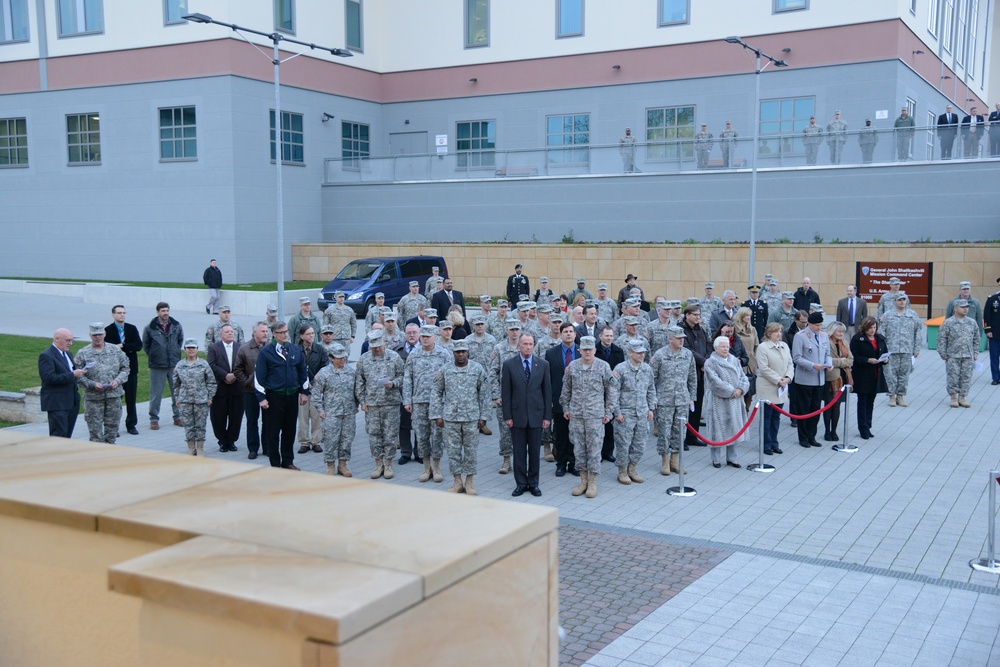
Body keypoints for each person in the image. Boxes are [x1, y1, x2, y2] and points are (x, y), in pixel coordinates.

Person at [561, 336, 617, 499]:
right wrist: (565, 407)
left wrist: (608, 412)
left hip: (595, 416)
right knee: (579, 449)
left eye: (590, 349)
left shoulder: (603, 366)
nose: (587, 352)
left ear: (594, 350)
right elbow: (566, 389)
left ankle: (592, 482)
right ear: (579, 350)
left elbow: (612, 390)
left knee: (593, 449)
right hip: (577, 415)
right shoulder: (572, 366)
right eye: (584, 349)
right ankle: (583, 481)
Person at [501, 333, 552, 497]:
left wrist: (547, 417)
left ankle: (534, 483)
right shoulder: (509, 365)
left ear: (534, 346)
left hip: (537, 416)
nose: (528, 347)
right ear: (519, 345)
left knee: (535, 453)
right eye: (525, 344)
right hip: (517, 416)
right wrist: (507, 416)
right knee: (519, 452)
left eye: (531, 344)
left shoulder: (543, 365)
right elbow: (506, 393)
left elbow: (547, 393)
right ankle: (521, 483)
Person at [255, 321, 310, 470]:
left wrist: (304, 392)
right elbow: (259, 377)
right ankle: (275, 464)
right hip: (274, 398)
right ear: (274, 334)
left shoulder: (294, 350)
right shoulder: (266, 352)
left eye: (286, 331)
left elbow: (303, 372)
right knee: (273, 433)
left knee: (289, 430)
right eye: (282, 332)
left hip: (291, 397)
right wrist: (261, 398)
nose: (286, 334)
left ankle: (287, 461)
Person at [403, 324, 451, 482]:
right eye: (422, 336)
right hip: (419, 402)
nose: (424, 339)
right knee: (421, 436)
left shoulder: (444, 355)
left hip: (438, 403)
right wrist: (407, 400)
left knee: (437, 436)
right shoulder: (414, 355)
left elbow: (450, 380)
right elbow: (407, 378)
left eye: (427, 336)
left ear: (435, 337)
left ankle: (436, 467)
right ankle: (426, 467)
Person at [355, 329, 405, 477]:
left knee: (390, 435)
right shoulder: (364, 359)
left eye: (379, 345)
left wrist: (393, 383)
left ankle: (388, 463)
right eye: (373, 346)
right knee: (374, 435)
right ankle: (378, 463)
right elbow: (359, 382)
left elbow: (403, 376)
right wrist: (362, 401)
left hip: (391, 403)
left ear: (384, 342)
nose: (377, 349)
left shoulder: (394, 357)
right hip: (372, 404)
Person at [650, 326, 697, 474]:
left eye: (683, 337)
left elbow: (692, 377)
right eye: (678, 338)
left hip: (682, 399)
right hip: (664, 400)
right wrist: (653, 399)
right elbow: (652, 379)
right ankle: (664, 461)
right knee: (664, 432)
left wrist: (692, 398)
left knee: (680, 431)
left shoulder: (688, 354)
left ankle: (675, 461)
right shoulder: (660, 355)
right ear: (670, 338)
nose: (682, 340)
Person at [73, 323, 129, 444]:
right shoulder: (83, 353)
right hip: (93, 399)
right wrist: (92, 384)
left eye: (99, 334)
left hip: (113, 397)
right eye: (94, 335)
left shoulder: (115, 350)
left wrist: (117, 381)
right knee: (95, 434)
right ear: (90, 336)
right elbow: (78, 376)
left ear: (104, 334)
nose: (97, 337)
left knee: (112, 432)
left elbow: (125, 369)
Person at [612, 339, 656, 486]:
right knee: (623, 444)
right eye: (638, 352)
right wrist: (617, 412)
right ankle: (622, 471)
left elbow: (651, 389)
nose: (642, 355)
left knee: (640, 444)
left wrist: (651, 408)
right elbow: (613, 392)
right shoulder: (620, 369)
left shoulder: (647, 369)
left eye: (643, 352)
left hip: (642, 412)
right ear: (630, 353)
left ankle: (632, 468)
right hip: (625, 413)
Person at [312, 343, 358, 477]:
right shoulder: (324, 373)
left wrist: (357, 404)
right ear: (331, 358)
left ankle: (343, 465)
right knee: (331, 440)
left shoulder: (350, 372)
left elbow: (357, 390)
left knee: (347, 439)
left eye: (344, 357)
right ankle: (330, 466)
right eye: (339, 357)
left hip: (348, 413)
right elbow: (316, 393)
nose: (342, 360)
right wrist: (320, 409)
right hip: (331, 413)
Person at [703, 336, 749, 469]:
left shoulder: (735, 360)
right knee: (716, 430)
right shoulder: (710, 363)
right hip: (718, 400)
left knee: (734, 428)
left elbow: (743, 377)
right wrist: (731, 391)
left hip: (735, 399)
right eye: (723, 346)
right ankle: (716, 459)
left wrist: (740, 389)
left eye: (727, 346)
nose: (725, 349)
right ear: (716, 348)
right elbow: (715, 382)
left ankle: (732, 458)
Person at [791, 312, 833, 448]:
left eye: (821, 325)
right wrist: (812, 365)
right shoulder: (801, 336)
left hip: (819, 379)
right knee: (804, 409)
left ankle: (812, 436)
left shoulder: (824, 335)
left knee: (815, 409)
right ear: (809, 324)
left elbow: (827, 354)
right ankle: (803, 437)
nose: (819, 328)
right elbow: (797, 358)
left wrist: (829, 364)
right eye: (817, 325)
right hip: (805, 379)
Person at [488, 320, 524, 474]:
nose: (515, 332)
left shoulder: (526, 346)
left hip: (522, 398)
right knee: (505, 430)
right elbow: (492, 373)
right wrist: (496, 395)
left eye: (517, 329)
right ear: (506, 330)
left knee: (522, 429)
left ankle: (521, 460)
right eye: (512, 329)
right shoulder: (500, 348)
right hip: (505, 397)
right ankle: (506, 459)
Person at [545, 322, 580, 477]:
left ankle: (573, 463)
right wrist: (549, 399)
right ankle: (560, 464)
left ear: (575, 334)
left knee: (575, 435)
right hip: (559, 399)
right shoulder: (551, 353)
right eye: (565, 331)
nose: (568, 334)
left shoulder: (581, 352)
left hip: (579, 400)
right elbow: (548, 378)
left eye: (571, 331)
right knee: (560, 434)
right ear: (560, 334)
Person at [142, 301, 183, 430]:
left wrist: (174, 353)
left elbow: (180, 341)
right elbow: (146, 345)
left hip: (173, 364)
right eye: (163, 311)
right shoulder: (150, 328)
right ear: (158, 312)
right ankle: (154, 418)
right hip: (157, 365)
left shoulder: (176, 326)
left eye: (167, 310)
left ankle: (177, 417)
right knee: (156, 393)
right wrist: (155, 355)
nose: (165, 313)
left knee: (176, 392)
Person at [38, 328, 86, 438]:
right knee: (59, 436)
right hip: (57, 404)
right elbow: (49, 378)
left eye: (71, 340)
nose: (71, 343)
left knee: (67, 436)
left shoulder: (68, 354)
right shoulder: (46, 356)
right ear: (57, 339)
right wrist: (73, 374)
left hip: (71, 402)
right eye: (68, 340)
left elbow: (71, 373)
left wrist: (80, 373)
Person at [173, 338, 216, 456]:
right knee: (188, 425)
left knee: (200, 425)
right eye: (188, 348)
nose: (191, 350)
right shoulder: (180, 365)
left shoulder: (203, 364)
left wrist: (210, 396)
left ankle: (200, 447)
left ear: (197, 349)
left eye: (193, 348)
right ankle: (191, 447)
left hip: (201, 400)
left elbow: (211, 382)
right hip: (185, 400)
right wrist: (177, 398)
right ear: (185, 350)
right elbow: (176, 384)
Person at [756, 322, 793, 456]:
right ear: (769, 333)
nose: (779, 334)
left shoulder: (784, 346)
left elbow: (790, 363)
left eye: (780, 331)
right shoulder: (763, 347)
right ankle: (766, 444)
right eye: (776, 331)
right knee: (767, 417)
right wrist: (779, 380)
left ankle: (774, 443)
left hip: (781, 387)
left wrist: (788, 378)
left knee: (776, 417)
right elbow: (764, 368)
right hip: (768, 386)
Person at [880, 293, 922, 407]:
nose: (902, 302)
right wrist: (882, 350)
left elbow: (918, 332)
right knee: (890, 374)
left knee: (904, 374)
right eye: (899, 300)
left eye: (904, 300)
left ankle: (900, 396)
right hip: (891, 350)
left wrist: (917, 348)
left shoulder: (913, 315)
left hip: (907, 350)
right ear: (895, 301)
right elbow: (881, 333)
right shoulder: (888, 315)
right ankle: (891, 396)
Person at [233, 322, 268, 460]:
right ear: (255, 332)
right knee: (252, 421)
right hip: (250, 392)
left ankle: (267, 447)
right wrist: (248, 382)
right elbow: (237, 370)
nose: (266, 333)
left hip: (268, 392)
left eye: (266, 331)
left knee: (268, 421)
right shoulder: (244, 349)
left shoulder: (271, 348)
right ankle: (253, 449)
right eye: (263, 331)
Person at [206, 324, 244, 453]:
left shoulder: (240, 348)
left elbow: (244, 365)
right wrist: (225, 375)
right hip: (220, 388)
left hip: (237, 388)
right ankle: (222, 441)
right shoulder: (213, 348)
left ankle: (232, 440)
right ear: (221, 334)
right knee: (218, 416)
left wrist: (234, 375)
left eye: (232, 331)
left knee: (236, 416)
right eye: (227, 332)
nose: (230, 333)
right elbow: (211, 364)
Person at [105, 305, 142, 435]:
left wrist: (123, 346)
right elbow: (108, 348)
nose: (122, 315)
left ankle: (131, 425)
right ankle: (113, 426)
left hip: (131, 370)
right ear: (113, 315)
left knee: (131, 399)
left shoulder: (131, 328)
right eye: (119, 313)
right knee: (115, 400)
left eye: (124, 313)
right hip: (115, 371)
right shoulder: (108, 330)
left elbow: (138, 345)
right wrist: (128, 348)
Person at [850, 317, 888, 439]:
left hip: (876, 374)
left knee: (870, 402)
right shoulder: (857, 339)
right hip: (862, 375)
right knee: (863, 401)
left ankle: (868, 425)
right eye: (870, 328)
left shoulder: (880, 338)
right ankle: (863, 428)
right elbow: (853, 356)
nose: (872, 330)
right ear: (864, 328)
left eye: (874, 327)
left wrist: (885, 360)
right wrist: (867, 360)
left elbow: (884, 352)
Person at [938, 299, 979, 408]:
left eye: (967, 307)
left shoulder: (971, 322)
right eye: (962, 307)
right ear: (955, 308)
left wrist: (975, 353)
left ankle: (962, 397)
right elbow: (942, 338)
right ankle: (953, 397)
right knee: (953, 377)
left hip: (967, 355)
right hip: (953, 355)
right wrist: (943, 354)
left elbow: (976, 338)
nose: (965, 309)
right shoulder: (948, 322)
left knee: (966, 377)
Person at [681, 305, 711, 449]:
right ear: (687, 315)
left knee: (697, 406)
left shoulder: (701, 329)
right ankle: (681, 439)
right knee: (685, 407)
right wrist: (704, 362)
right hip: (686, 373)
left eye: (699, 315)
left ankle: (693, 436)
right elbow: (687, 350)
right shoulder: (681, 329)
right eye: (695, 315)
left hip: (700, 372)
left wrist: (707, 361)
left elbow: (708, 345)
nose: (698, 317)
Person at [295, 325, 327, 454]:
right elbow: (293, 368)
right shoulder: (296, 350)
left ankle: (316, 442)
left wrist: (314, 382)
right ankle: (304, 442)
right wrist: (303, 384)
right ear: (302, 336)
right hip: (301, 390)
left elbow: (324, 367)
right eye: (308, 334)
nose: (311, 336)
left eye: (313, 333)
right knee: (302, 416)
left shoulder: (320, 350)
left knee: (316, 416)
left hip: (316, 389)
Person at [823, 322, 854, 442]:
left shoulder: (844, 343)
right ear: (832, 331)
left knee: (837, 406)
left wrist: (838, 361)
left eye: (843, 331)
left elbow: (851, 360)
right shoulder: (826, 343)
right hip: (830, 377)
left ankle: (834, 431)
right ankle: (826, 431)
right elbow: (827, 360)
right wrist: (841, 361)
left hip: (843, 377)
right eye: (839, 331)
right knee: (828, 405)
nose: (841, 334)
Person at [733, 307, 759, 409]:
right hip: (739, 362)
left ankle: (746, 411)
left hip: (751, 363)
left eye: (749, 316)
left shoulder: (752, 329)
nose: (748, 317)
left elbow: (756, 345)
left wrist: (755, 358)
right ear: (741, 316)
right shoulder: (734, 328)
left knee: (750, 390)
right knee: (740, 388)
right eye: (746, 315)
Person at [985, 278, 1000, 386]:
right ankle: (995, 377)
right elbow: (987, 315)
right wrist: (988, 330)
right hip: (994, 333)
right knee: (994, 356)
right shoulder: (992, 299)